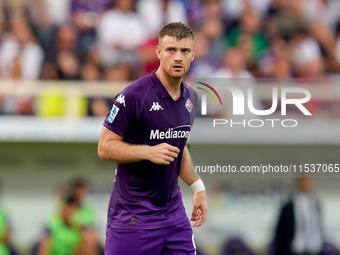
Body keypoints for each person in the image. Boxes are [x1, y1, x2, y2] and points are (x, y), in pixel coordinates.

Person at [98, 21, 207, 255]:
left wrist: (198, 187)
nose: (178, 57)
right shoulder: (134, 95)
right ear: (158, 52)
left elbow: (178, 146)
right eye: (171, 50)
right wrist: (147, 151)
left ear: (193, 54)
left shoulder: (191, 99)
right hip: (133, 218)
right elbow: (105, 148)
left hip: (173, 215)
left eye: (184, 51)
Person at [273, 177, 323, 255]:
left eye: (309, 183)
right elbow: (280, 231)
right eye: (304, 183)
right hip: (294, 250)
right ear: (298, 184)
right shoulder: (288, 206)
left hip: (314, 250)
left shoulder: (315, 205)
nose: (306, 185)